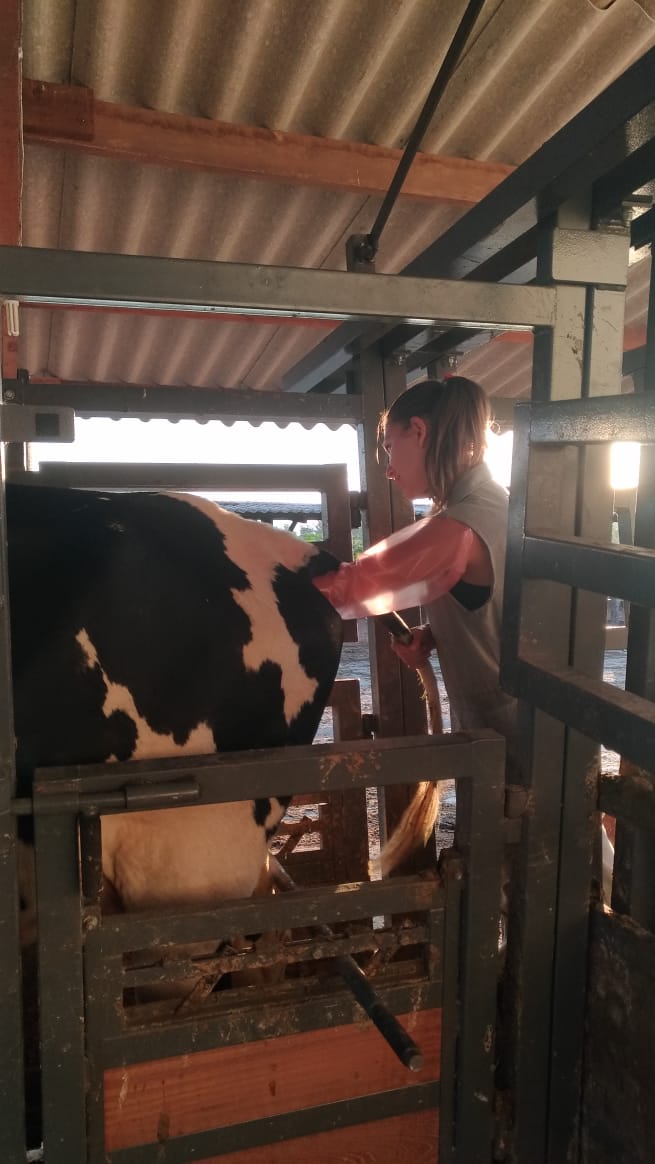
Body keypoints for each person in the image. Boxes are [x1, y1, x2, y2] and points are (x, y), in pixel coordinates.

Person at [312, 375, 519, 778]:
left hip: (510, 740)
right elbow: (498, 615)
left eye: (390, 447)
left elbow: (350, 588)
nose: (389, 470)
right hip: (515, 727)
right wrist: (438, 634)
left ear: (419, 431)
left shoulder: (460, 525)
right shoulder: (495, 503)